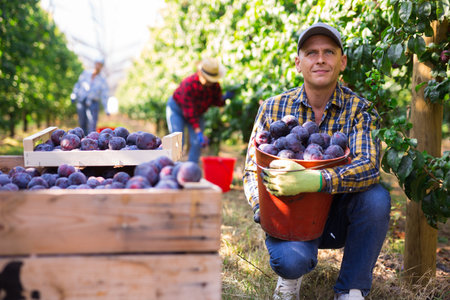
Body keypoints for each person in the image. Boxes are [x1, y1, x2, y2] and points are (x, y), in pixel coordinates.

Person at [243, 23, 391, 300]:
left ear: (342, 61)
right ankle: (290, 277)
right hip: (294, 211)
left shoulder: (361, 109)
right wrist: (261, 205)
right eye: (311, 53)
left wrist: (317, 180)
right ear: (298, 63)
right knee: (290, 261)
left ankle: (351, 289)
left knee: (376, 198)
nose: (320, 59)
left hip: (339, 212)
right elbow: (252, 169)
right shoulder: (273, 108)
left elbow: (369, 167)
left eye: (329, 52)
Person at [166, 57, 234, 163]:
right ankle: (172, 168)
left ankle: (190, 169)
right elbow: (189, 113)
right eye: (208, 79)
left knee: (197, 143)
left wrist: (224, 98)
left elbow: (216, 101)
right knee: (177, 141)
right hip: (177, 109)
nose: (210, 83)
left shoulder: (214, 86)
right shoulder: (188, 84)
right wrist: (199, 132)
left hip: (197, 113)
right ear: (200, 73)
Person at [71, 57, 110, 135]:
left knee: (92, 124)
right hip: (81, 101)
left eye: (100, 65)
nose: (98, 66)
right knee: (82, 122)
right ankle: (82, 140)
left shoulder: (102, 80)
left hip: (93, 103)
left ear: (102, 67)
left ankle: (91, 141)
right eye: (97, 64)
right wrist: (73, 94)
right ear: (95, 64)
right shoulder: (85, 73)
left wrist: (106, 108)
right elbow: (78, 84)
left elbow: (104, 95)